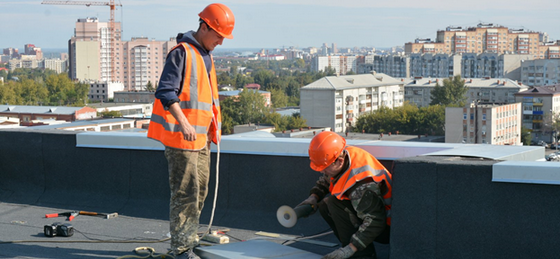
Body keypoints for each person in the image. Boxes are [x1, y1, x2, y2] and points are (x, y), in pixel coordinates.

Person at [147, 3, 235, 259]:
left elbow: (206, 99)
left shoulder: (205, 54)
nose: (220, 41)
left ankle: (190, 237)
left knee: (200, 191)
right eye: (218, 35)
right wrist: (184, 123)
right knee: (185, 193)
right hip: (180, 138)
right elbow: (165, 92)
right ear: (205, 26)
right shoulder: (182, 52)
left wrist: (212, 131)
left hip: (201, 139)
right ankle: (181, 248)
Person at [299, 131, 392, 259]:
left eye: (324, 167)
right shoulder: (340, 154)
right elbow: (327, 179)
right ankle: (357, 250)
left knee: (332, 203)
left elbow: (376, 221)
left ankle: (361, 255)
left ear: (340, 161)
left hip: (386, 228)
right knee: (325, 205)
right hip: (372, 216)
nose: (322, 170)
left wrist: (350, 249)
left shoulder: (362, 184)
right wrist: (313, 197)